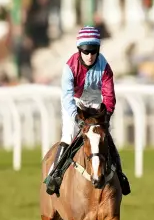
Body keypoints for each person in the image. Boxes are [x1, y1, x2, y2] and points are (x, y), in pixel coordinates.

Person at [43, 25, 131, 196]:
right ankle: (54, 174)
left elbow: (109, 95)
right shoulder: (69, 67)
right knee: (69, 136)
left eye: (93, 51)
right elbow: (67, 97)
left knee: (107, 138)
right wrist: (76, 117)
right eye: (86, 52)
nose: (90, 56)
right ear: (79, 50)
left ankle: (120, 176)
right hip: (74, 103)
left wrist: (106, 115)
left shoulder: (104, 66)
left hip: (96, 105)